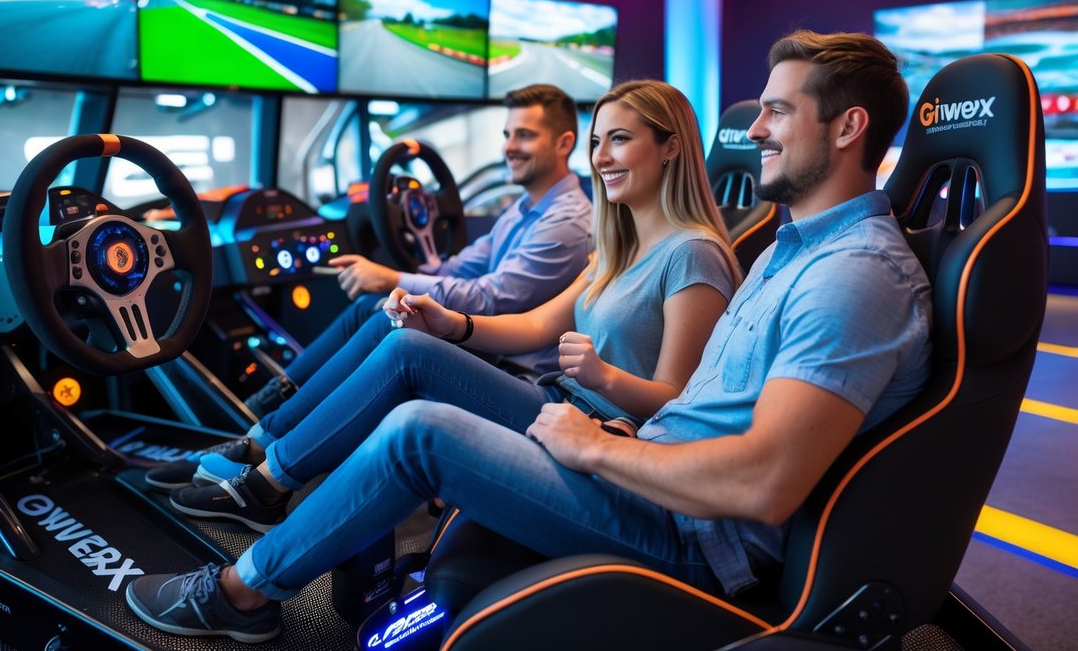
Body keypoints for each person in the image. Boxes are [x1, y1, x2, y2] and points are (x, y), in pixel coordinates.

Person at [126, 31, 934, 645]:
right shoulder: (791, 250)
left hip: (689, 532)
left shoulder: (852, 275)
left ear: (846, 128)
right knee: (408, 354)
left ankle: (239, 594)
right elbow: (693, 407)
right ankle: (262, 478)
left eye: (776, 111)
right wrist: (605, 430)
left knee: (418, 432)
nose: (753, 129)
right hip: (647, 468)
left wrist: (598, 446)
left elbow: (763, 484)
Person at [162, 81, 742, 532]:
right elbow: (534, 321)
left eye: (619, 139)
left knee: (403, 349)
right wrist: (450, 323)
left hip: (592, 424)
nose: (602, 157)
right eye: (598, 141)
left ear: (670, 148)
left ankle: (264, 476)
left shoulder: (687, 253)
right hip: (555, 397)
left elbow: (675, 403)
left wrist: (602, 376)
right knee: (399, 333)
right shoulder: (617, 244)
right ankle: (263, 458)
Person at [145, 83, 594, 490]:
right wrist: (414, 257)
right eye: (507, 134)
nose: (509, 147)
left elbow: (492, 298)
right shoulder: (524, 208)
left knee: (389, 322)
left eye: (524, 136)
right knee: (372, 308)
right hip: (494, 347)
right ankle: (259, 428)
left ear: (564, 143)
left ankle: (261, 447)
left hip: (513, 367)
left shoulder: (566, 223)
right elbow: (461, 267)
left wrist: (391, 277)